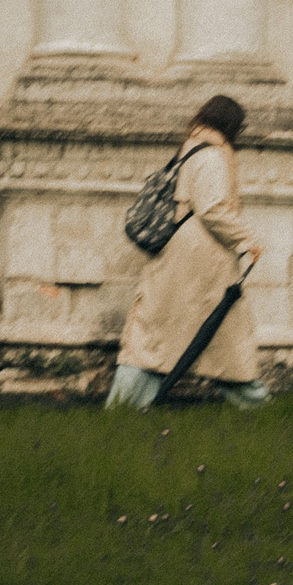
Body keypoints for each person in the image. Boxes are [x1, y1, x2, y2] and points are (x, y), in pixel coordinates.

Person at [105, 94, 268, 411]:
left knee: (156, 332)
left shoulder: (192, 148)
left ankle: (123, 405)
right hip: (202, 256)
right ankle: (256, 405)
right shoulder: (212, 156)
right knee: (222, 332)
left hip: (184, 254)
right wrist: (246, 240)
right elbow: (212, 209)